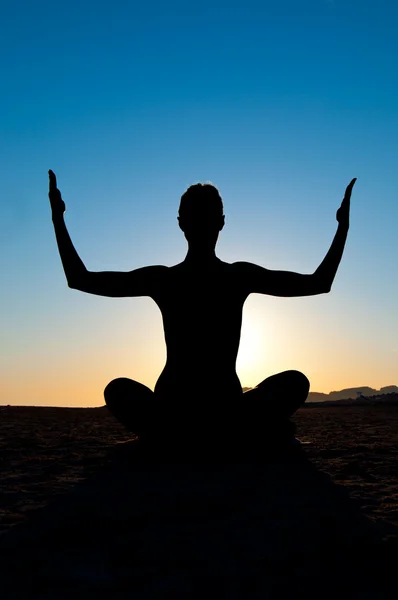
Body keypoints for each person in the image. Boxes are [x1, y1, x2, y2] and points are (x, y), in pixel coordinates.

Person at [49, 171, 356, 447]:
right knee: (117, 390)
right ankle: (231, 434)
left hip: (193, 410)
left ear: (184, 223)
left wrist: (58, 220)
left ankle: (170, 437)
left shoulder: (175, 279)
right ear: (217, 222)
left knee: (295, 382)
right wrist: (343, 228)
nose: (202, 223)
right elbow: (319, 282)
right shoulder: (215, 277)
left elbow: (80, 279)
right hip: (214, 410)